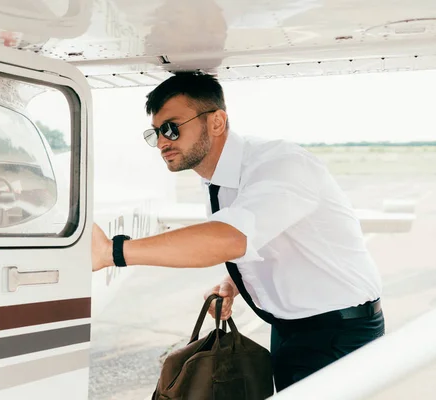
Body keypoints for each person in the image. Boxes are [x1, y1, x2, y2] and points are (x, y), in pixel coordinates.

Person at [90, 72, 385, 391]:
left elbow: (231, 237)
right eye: (155, 133)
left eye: (171, 128)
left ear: (216, 122)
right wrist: (233, 282)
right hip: (290, 329)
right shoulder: (216, 176)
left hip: (340, 332)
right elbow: (268, 239)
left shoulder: (280, 165)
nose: (162, 142)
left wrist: (113, 252)